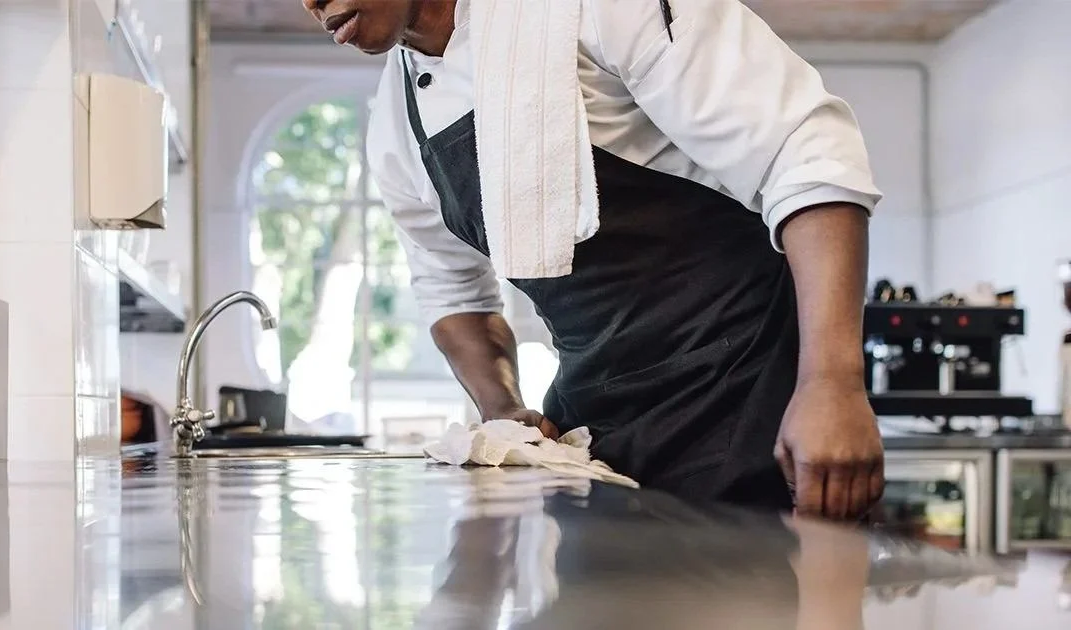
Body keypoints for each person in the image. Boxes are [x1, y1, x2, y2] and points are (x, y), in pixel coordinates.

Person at [302, 0, 885, 519]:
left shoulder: (600, 8)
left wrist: (832, 383)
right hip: (592, 428)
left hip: (748, 392)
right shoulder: (393, 126)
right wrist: (506, 412)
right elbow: (454, 296)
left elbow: (807, 156)